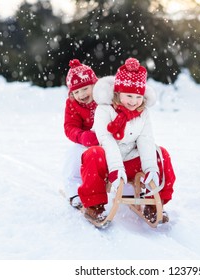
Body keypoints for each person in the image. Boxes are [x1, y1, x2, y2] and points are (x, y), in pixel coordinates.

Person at [78, 57, 176, 223]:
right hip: (108, 162)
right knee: (93, 154)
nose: (133, 101)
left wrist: (151, 167)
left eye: (138, 97)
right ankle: (94, 205)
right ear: (118, 93)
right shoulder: (104, 110)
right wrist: (116, 168)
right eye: (128, 95)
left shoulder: (143, 113)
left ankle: (155, 203)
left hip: (130, 160)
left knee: (161, 154)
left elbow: (146, 139)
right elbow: (106, 139)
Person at [62, 59, 99, 209]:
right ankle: (74, 189)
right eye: (76, 92)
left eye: (85, 89)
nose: (81, 94)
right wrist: (81, 136)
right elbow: (70, 126)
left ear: (94, 85)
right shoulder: (72, 104)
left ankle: (128, 190)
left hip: (106, 139)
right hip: (85, 140)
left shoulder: (103, 97)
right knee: (75, 155)